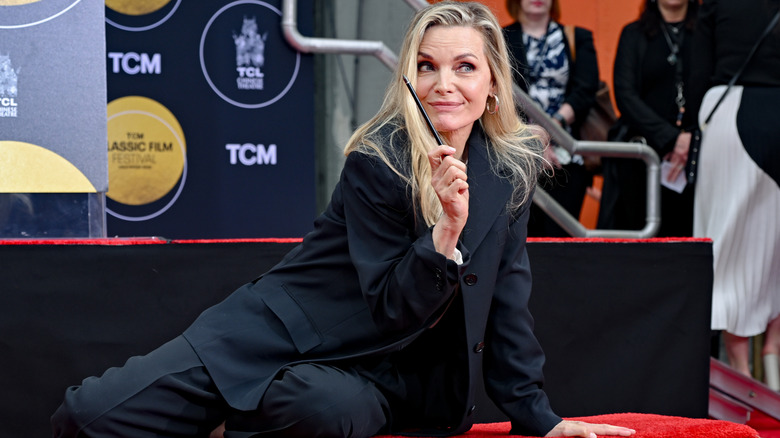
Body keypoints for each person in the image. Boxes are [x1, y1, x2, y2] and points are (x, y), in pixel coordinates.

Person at [51, 2, 636, 437]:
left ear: (492, 86)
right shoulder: (377, 158)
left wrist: (539, 417)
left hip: (378, 374)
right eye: (427, 66)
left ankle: (234, 425)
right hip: (277, 333)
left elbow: (507, 300)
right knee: (88, 417)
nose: (444, 84)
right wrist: (444, 233)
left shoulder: (510, 172)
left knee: (322, 412)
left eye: (465, 67)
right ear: (409, 79)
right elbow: (389, 301)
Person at [687, 0, 780, 388]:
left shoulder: (718, 4)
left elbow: (698, 72)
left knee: (727, 246)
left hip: (732, 113)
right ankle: (773, 355)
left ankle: (741, 375)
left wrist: (690, 129)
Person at [597, 0, 698, 237]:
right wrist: (672, 139)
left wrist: (691, 139)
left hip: (695, 153)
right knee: (640, 240)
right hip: (642, 153)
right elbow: (625, 95)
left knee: (689, 236)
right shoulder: (634, 34)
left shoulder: (706, 33)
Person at [503, 0, 600, 237]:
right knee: (518, 237)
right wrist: (534, 137)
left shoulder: (577, 37)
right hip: (516, 152)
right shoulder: (501, 38)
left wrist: (551, 129)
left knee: (561, 239)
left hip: (565, 153)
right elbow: (499, 91)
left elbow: (585, 90)